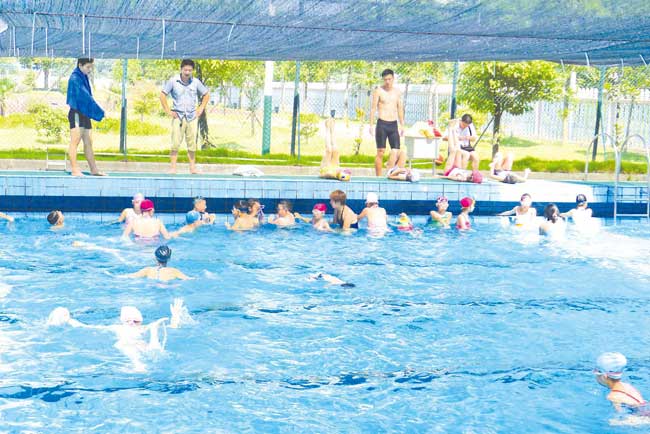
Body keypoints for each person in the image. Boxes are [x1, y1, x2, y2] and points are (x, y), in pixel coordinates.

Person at [47, 299, 190, 372]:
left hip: (139, 344)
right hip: (126, 345)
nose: (132, 323)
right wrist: (69, 320)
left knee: (153, 332)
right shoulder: (117, 328)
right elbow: (86, 327)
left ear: (140, 321)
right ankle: (138, 365)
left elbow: (171, 328)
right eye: (129, 321)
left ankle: (142, 361)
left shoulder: (143, 328)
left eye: (136, 321)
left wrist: (176, 316)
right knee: (125, 345)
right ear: (123, 321)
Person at [160, 59, 210, 174]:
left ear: (192, 71)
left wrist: (201, 108)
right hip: (178, 116)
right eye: (185, 70)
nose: (187, 72)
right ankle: (173, 168)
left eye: (190, 70)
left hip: (192, 117)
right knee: (175, 143)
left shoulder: (196, 82)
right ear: (181, 69)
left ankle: (192, 168)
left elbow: (206, 94)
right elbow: (162, 95)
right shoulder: (173, 81)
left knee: (192, 144)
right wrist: (168, 111)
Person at [66, 58, 106, 177]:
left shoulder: (83, 77)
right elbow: (85, 96)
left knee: (88, 142)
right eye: (88, 67)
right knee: (75, 141)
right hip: (76, 113)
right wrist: (99, 111)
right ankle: (75, 169)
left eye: (91, 67)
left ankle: (94, 169)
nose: (89, 70)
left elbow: (88, 97)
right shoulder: (75, 78)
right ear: (80, 65)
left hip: (84, 113)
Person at [369, 69, 405, 176]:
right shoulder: (378, 91)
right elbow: (373, 108)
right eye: (385, 80)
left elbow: (400, 108)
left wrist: (402, 125)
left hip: (393, 124)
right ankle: (378, 177)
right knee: (380, 152)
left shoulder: (397, 92)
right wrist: (371, 125)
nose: (387, 82)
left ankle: (392, 172)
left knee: (396, 151)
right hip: (382, 124)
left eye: (389, 79)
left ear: (393, 78)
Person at [124, 245, 190, 281]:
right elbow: (188, 279)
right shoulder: (174, 271)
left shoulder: (148, 270)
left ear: (155, 258)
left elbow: (130, 276)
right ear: (169, 259)